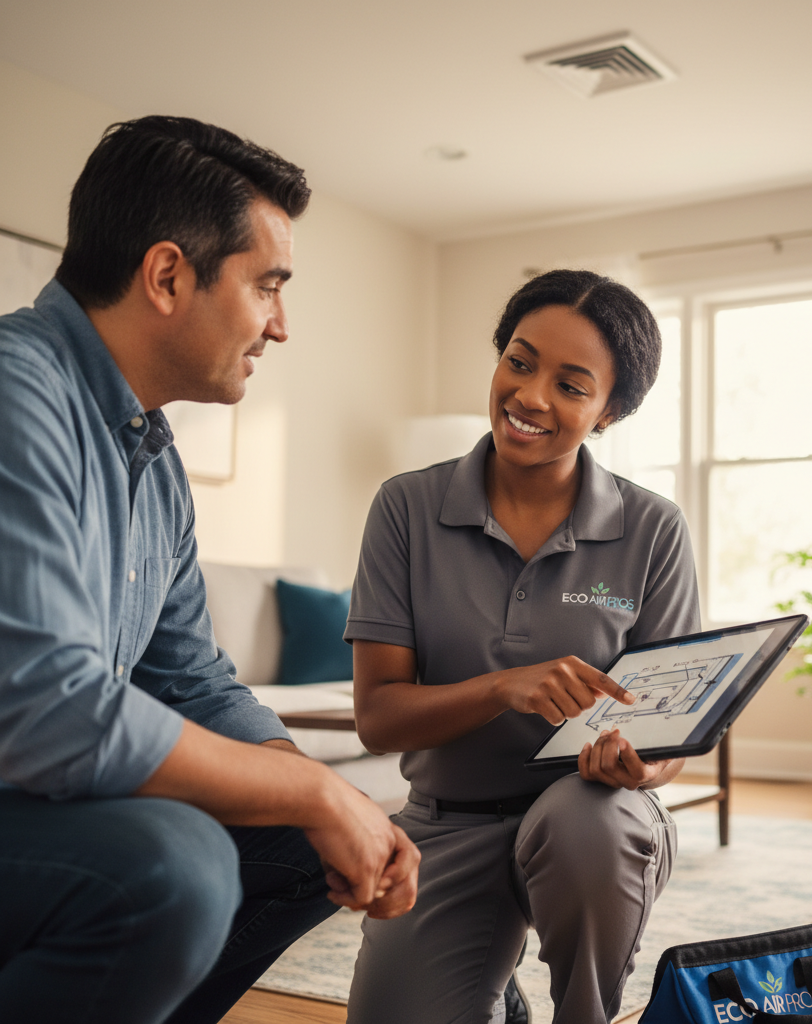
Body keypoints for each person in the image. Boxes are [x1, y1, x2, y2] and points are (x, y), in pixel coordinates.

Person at [0, 116, 418, 1024]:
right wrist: (308, 785)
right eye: (267, 285)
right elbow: (45, 711)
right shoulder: (14, 392)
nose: (280, 324)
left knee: (322, 835)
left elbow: (191, 678)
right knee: (173, 865)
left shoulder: (153, 459)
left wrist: (323, 796)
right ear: (166, 276)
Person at [343, 269, 701, 1024]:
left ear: (609, 413)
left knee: (587, 825)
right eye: (520, 360)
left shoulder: (654, 529)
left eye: (572, 385)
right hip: (447, 824)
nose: (531, 396)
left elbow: (671, 732)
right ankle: (492, 985)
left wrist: (643, 763)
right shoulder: (406, 508)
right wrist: (504, 687)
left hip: (591, 817)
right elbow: (377, 718)